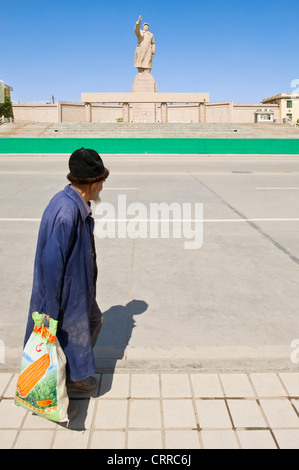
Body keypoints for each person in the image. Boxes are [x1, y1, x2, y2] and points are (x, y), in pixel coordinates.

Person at [23, 148, 109, 419]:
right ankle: (53, 394)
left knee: (93, 322)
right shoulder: (66, 212)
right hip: (62, 292)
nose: (103, 186)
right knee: (58, 341)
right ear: (92, 183)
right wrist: (50, 307)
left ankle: (73, 377)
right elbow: (52, 262)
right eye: (102, 181)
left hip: (77, 288)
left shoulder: (71, 201)